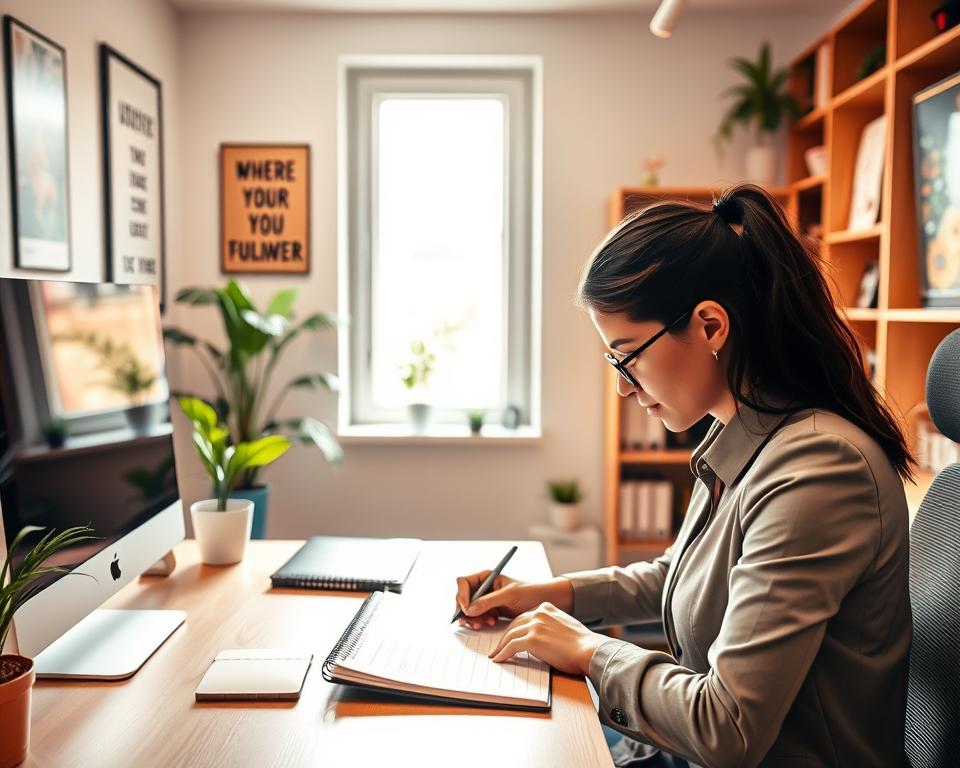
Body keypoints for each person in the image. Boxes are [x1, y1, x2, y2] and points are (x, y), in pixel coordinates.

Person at [454, 184, 915, 768]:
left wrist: (591, 653)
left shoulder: (820, 470)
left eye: (628, 357)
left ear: (711, 327)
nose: (623, 385)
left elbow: (729, 728)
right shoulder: (746, 433)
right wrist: (550, 595)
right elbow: (684, 575)